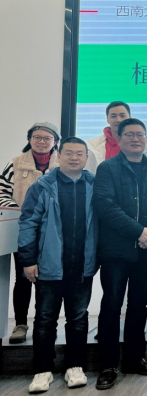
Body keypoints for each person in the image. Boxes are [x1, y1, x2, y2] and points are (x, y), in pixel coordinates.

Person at [94, 118, 147, 390]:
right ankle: (108, 365)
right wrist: (138, 231)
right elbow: (105, 205)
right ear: (119, 138)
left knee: (139, 305)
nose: (136, 139)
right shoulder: (107, 168)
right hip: (116, 251)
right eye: (130, 134)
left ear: (146, 138)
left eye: (140, 134)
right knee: (111, 305)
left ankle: (134, 358)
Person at [17, 137, 96, 393]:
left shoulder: (94, 186)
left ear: (86, 158)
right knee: (44, 320)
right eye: (69, 153)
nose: (74, 157)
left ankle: (75, 366)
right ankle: (42, 370)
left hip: (81, 267)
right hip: (49, 266)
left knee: (78, 319)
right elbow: (27, 223)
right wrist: (28, 260)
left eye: (79, 154)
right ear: (58, 156)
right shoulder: (42, 186)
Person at [0, 121, 60, 344]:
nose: (42, 141)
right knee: (23, 277)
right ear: (29, 139)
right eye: (37, 137)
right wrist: (22, 211)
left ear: (55, 142)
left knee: (48, 280)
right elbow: (1, 192)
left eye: (47, 138)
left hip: (53, 233)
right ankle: (20, 324)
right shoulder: (15, 163)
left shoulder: (62, 165)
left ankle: (45, 324)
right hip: (23, 230)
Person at [84, 101, 147, 173]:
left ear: (130, 118)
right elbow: (89, 177)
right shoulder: (94, 147)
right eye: (113, 116)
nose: (118, 120)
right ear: (107, 119)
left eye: (122, 115)